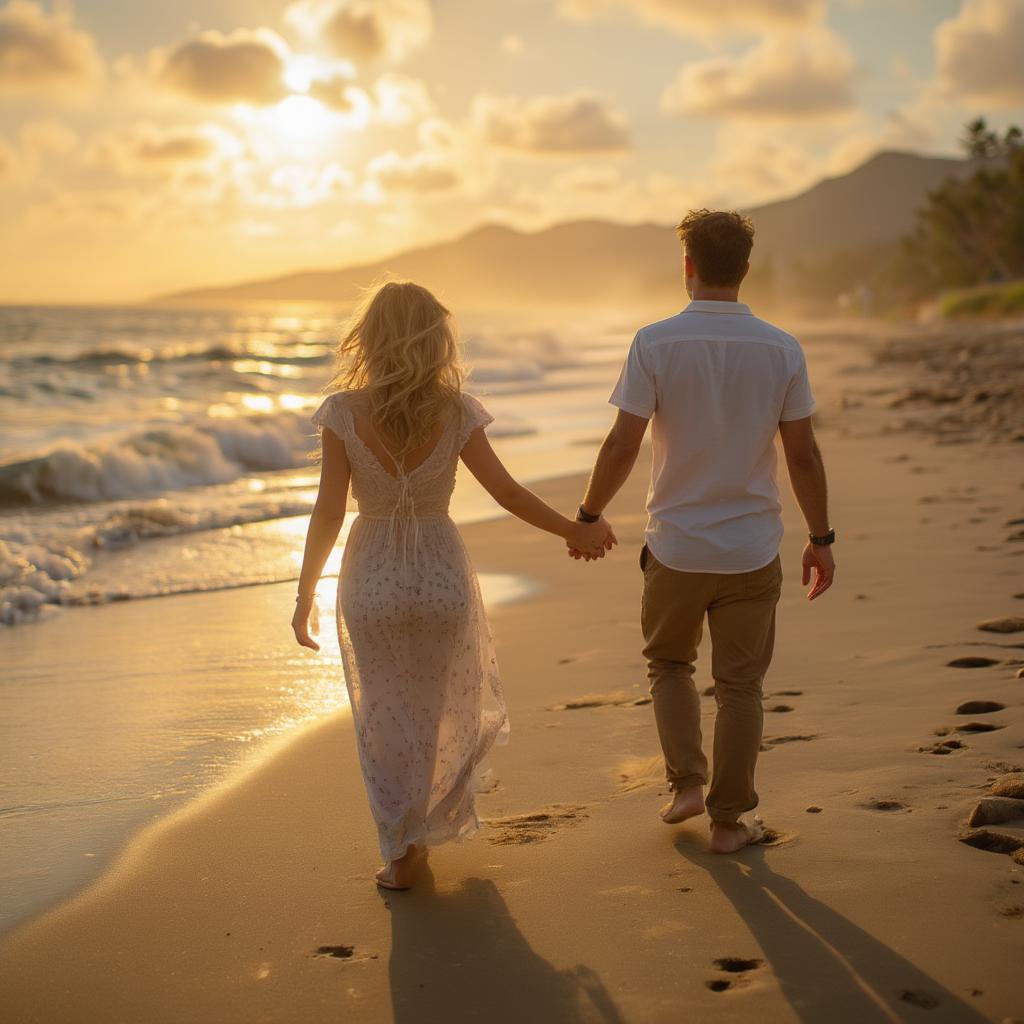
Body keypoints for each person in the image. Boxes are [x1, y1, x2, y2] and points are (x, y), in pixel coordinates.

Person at [291, 281, 614, 891]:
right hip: (439, 572)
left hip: (371, 577)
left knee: (381, 717)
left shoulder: (342, 412)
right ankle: (428, 829)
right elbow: (509, 493)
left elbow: (328, 511)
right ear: (436, 340)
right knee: (438, 708)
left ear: (372, 337)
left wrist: (305, 592)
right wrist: (575, 529)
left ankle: (402, 853)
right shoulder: (456, 411)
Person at [570, 209, 835, 854]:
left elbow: (623, 443)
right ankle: (727, 821)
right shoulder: (781, 348)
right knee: (741, 685)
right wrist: (821, 538)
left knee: (669, 664)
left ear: (687, 266)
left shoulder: (654, 342)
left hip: (676, 546)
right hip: (751, 548)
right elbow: (802, 455)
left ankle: (687, 784)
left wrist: (588, 513)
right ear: (744, 268)